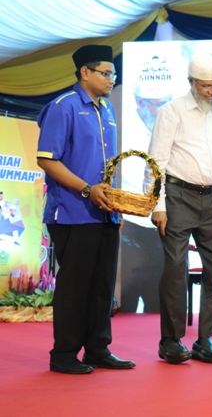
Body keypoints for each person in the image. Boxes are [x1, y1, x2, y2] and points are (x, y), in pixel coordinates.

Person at [36, 44, 135, 374]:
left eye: (114, 74)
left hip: (105, 212)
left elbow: (108, 166)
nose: (112, 79)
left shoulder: (106, 109)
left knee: (102, 285)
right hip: (72, 212)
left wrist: (115, 207)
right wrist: (86, 189)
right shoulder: (63, 106)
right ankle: (63, 354)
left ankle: (97, 349)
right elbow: (47, 159)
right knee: (75, 287)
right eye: (106, 73)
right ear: (85, 72)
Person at [145, 53, 212, 365]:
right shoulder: (172, 111)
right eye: (206, 86)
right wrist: (157, 205)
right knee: (175, 269)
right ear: (191, 82)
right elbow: (156, 160)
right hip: (178, 197)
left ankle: (205, 337)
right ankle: (170, 339)